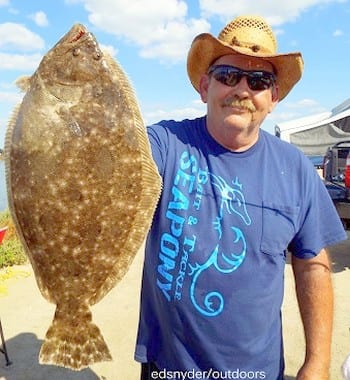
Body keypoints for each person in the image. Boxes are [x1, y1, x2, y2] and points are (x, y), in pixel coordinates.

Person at [134, 15, 347, 380]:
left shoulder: (295, 169)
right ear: (204, 86)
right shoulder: (165, 145)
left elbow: (312, 264)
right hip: (168, 368)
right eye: (228, 75)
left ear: (273, 96)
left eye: (259, 80)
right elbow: (105, 155)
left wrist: (317, 362)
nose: (243, 89)